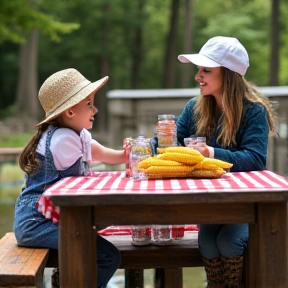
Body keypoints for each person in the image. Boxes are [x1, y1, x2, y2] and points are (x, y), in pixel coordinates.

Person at [177, 36, 276, 287]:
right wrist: (148, 144)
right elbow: (173, 143)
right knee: (207, 242)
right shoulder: (194, 107)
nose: (198, 76)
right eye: (199, 69)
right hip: (210, 201)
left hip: (246, 203)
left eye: (206, 70)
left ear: (229, 75)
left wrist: (211, 153)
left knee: (228, 242)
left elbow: (255, 159)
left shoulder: (254, 110)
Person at [13, 68, 127, 288]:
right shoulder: (64, 140)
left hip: (45, 219)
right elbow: (78, 187)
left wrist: (126, 155)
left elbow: (101, 152)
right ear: (70, 112)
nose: (95, 109)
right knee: (107, 256)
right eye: (89, 104)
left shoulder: (75, 134)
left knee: (103, 248)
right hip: (37, 224)